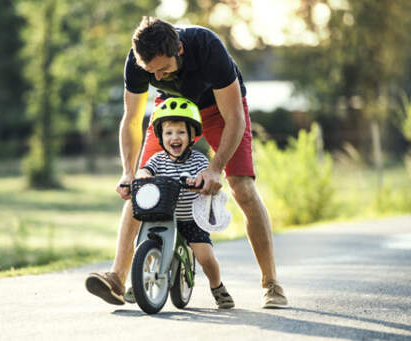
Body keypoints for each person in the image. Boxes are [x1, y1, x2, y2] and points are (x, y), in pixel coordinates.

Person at [85, 16, 288, 309]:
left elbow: (235, 119)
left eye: (164, 69)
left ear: (179, 50)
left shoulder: (207, 47)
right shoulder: (138, 60)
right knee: (142, 186)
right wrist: (128, 173)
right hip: (173, 111)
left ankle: (271, 284)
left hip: (220, 110)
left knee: (242, 188)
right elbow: (130, 120)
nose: (160, 77)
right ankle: (117, 277)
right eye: (152, 72)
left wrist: (215, 168)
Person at [132, 97, 234, 309]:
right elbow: (145, 171)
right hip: (163, 217)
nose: (174, 138)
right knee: (141, 244)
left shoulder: (198, 160)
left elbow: (208, 177)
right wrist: (140, 176)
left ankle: (217, 287)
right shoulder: (157, 160)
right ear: (161, 137)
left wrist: (200, 181)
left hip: (191, 220)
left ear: (191, 136)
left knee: (205, 257)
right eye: (168, 133)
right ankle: (139, 280)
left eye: (180, 132)